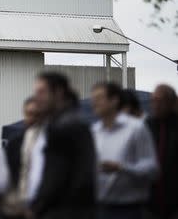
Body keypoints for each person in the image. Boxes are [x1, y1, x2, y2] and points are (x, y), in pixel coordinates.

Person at [26, 72, 96, 219]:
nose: (36, 98)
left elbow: (55, 177)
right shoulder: (68, 121)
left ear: (58, 92)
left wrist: (37, 207)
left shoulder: (63, 127)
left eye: (41, 92)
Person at [91, 82, 158, 219]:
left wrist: (122, 168)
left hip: (129, 209)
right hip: (99, 207)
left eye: (99, 98)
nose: (94, 103)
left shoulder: (136, 128)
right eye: (93, 99)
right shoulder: (95, 131)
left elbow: (152, 168)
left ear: (114, 100)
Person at [3, 98, 42, 219]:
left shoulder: (51, 142)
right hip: (19, 203)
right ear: (24, 115)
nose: (33, 118)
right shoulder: (14, 144)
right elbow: (8, 174)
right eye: (29, 114)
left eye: (37, 115)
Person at [145, 84, 178, 219]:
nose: (155, 105)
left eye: (160, 101)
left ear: (171, 102)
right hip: (151, 201)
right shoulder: (148, 125)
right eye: (153, 100)